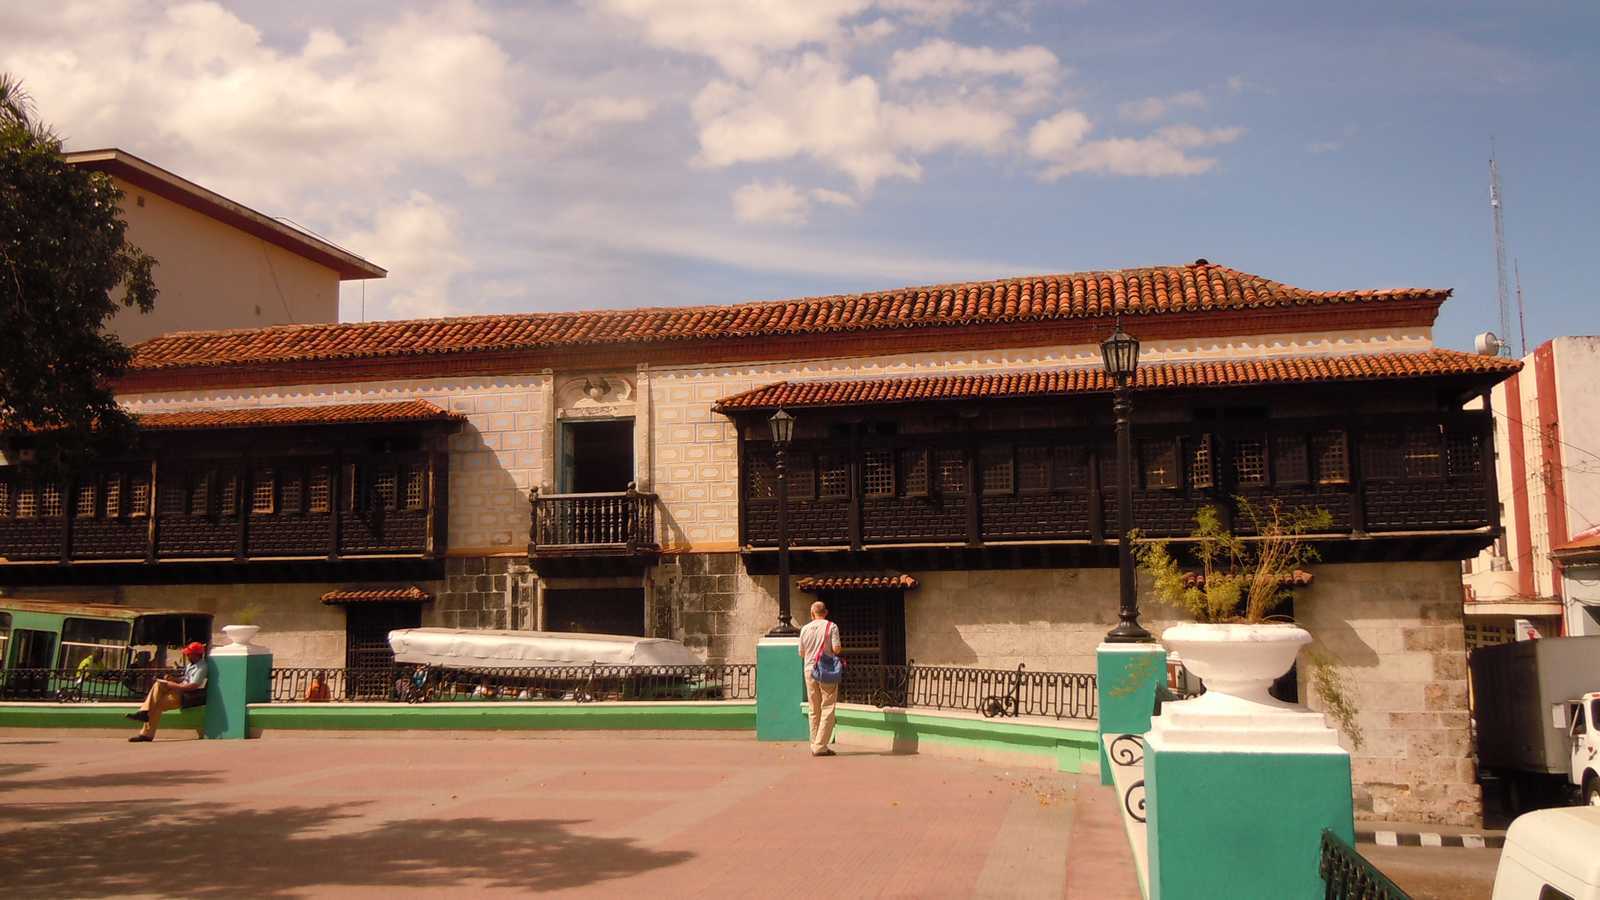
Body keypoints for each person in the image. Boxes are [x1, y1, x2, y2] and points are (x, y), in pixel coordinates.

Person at [124, 642, 207, 742]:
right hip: (178, 690)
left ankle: (145, 725)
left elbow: (193, 686)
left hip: (185, 695)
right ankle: (144, 715)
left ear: (196, 655)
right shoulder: (190, 665)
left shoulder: (202, 668)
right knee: (158, 685)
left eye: (189, 654)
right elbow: (185, 679)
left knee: (156, 704)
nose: (187, 655)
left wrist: (172, 685)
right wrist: (173, 679)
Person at [798, 600, 843, 757]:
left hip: (809, 670)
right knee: (828, 707)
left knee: (814, 709)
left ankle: (815, 743)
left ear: (812, 613)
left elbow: (801, 653)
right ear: (826, 612)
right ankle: (820, 746)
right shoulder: (832, 626)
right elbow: (836, 649)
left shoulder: (804, 629)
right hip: (825, 671)